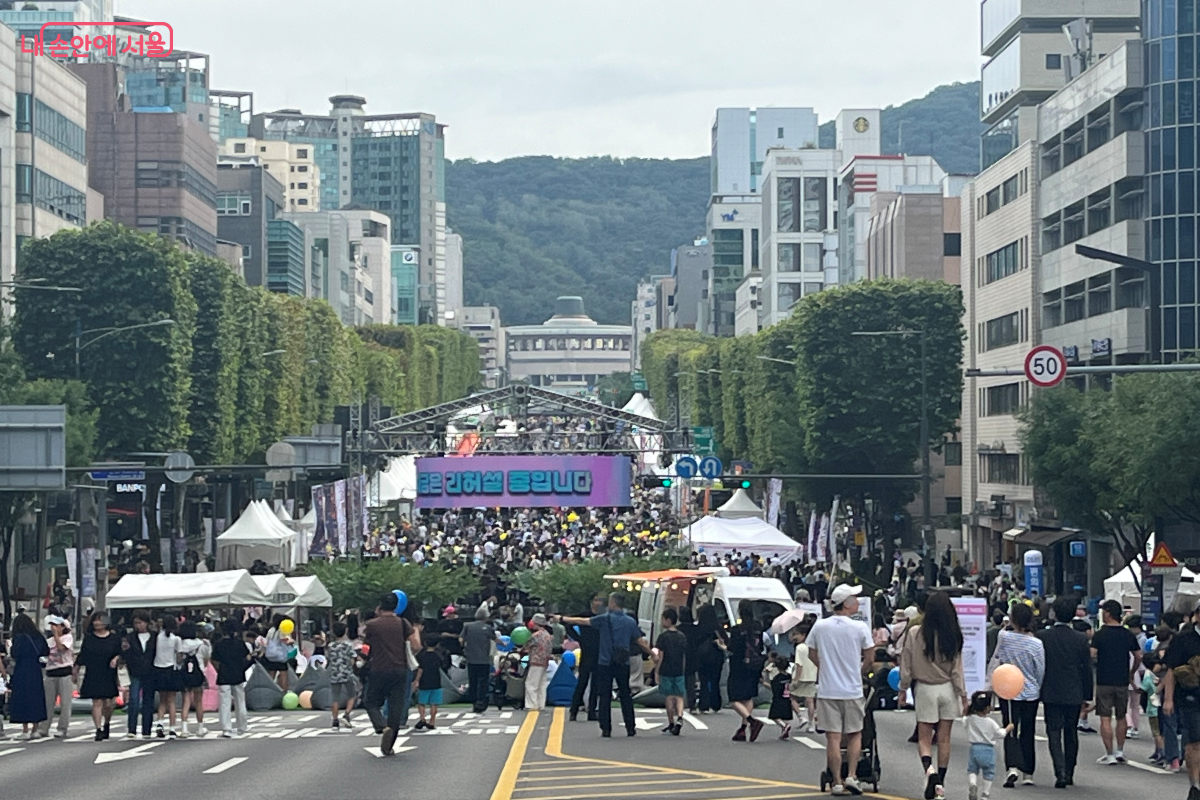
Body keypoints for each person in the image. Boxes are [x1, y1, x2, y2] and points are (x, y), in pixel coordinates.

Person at [807, 584, 875, 797]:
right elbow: (870, 657)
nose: (857, 602)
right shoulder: (859, 627)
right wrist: (858, 672)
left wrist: (825, 669)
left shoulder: (820, 626)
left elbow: (811, 653)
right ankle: (852, 776)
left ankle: (837, 781)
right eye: (854, 598)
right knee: (855, 734)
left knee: (833, 738)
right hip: (852, 690)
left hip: (828, 690)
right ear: (847, 603)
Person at [899, 591, 968, 800]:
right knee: (944, 739)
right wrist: (963, 695)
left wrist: (903, 689)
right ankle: (941, 784)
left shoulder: (915, 633)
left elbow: (906, 665)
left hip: (925, 688)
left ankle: (930, 771)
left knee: (924, 738)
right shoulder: (954, 636)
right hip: (947, 689)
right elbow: (957, 671)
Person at [556, 592, 651, 738]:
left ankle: (606, 727)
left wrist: (562, 618)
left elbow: (582, 621)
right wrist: (652, 654)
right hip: (623, 662)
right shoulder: (630, 621)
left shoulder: (604, 619)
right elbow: (640, 641)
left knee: (604, 695)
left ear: (613, 603)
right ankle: (630, 727)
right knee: (625, 693)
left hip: (605, 662)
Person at [1036, 595, 1093, 788]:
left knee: (1053, 731)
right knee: (1071, 732)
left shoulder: (1043, 636)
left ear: (1054, 613)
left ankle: (1059, 770)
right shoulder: (1080, 638)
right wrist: (1087, 695)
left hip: (1050, 690)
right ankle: (1069, 772)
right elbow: (1086, 668)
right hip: (1074, 690)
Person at [987, 602, 1045, 788]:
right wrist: (1036, 685)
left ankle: (1012, 767)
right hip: (1030, 692)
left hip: (1008, 689)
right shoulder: (1036, 644)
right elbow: (1040, 669)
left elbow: (998, 658)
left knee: (1010, 728)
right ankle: (1028, 772)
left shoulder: (1004, 636)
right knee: (1028, 730)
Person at [363, 592, 421, 756]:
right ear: (396, 606)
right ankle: (388, 746)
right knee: (396, 707)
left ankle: (381, 726)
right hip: (400, 670)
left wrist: (362, 660)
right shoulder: (403, 623)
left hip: (378, 668)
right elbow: (416, 645)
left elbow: (366, 648)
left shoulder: (372, 625)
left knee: (371, 702)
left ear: (380, 606)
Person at [1092, 599, 1141, 765]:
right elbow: (1138, 656)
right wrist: (1131, 672)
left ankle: (1109, 754)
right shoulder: (1127, 634)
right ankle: (1120, 750)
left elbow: (1092, 654)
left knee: (1105, 717)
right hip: (1122, 680)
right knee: (1121, 716)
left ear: (1107, 613)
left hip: (1104, 680)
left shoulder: (1100, 634)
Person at [1162, 597, 1200, 800]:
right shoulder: (1183, 640)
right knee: (1195, 741)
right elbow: (1171, 670)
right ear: (1196, 616)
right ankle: (1195, 785)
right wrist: (1168, 699)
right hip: (1190, 696)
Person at [722, 601, 767, 742]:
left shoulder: (737, 630)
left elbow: (733, 649)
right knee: (748, 697)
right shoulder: (758, 627)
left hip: (739, 666)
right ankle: (743, 728)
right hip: (754, 666)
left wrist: (723, 647)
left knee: (734, 698)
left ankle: (751, 721)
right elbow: (760, 646)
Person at [75, 612, 122, 741]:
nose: (97, 623)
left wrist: (116, 659)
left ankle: (106, 722)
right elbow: (83, 654)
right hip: (93, 672)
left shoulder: (114, 638)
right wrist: (76, 669)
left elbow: (120, 652)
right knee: (97, 701)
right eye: (95, 620)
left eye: (100, 620)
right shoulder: (89, 638)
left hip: (108, 672)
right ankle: (98, 729)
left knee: (109, 703)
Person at [966, 691, 1014, 800]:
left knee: (972, 769)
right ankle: (985, 794)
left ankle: (973, 784)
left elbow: (964, 721)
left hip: (974, 748)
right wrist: (1008, 728)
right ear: (987, 708)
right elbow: (1000, 733)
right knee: (988, 772)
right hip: (988, 749)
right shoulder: (990, 722)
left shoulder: (970, 719)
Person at [8, 613, 49, 739]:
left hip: (22, 669)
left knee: (23, 698)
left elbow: (15, 653)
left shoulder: (19, 638)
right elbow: (45, 651)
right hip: (35, 669)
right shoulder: (37, 636)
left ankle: (25, 729)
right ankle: (35, 728)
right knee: (35, 697)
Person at [211, 618, 251, 738]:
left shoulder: (219, 644)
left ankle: (226, 729)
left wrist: (219, 669)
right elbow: (248, 657)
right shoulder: (240, 643)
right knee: (240, 701)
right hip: (238, 674)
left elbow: (214, 660)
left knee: (224, 703)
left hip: (224, 675)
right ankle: (242, 726)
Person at [568, 594, 606, 722]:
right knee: (582, 681)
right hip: (587, 651)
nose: (598, 603)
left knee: (596, 684)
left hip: (600, 651)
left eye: (600, 600)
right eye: (596, 600)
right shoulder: (584, 615)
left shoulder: (603, 617)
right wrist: (579, 638)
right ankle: (573, 710)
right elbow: (569, 624)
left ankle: (592, 711)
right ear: (591, 602)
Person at [121, 611, 157, 739]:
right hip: (135, 671)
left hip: (150, 672)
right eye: (136, 623)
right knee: (134, 700)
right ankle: (132, 728)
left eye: (140, 623)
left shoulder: (155, 637)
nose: (138, 626)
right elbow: (125, 654)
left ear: (147, 623)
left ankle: (147, 729)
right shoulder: (130, 638)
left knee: (148, 701)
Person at [653, 607, 687, 736]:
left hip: (666, 669)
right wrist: (683, 669)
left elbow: (660, 656)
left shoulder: (663, 637)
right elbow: (684, 655)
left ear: (668, 620)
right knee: (679, 695)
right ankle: (680, 716)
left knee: (669, 696)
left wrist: (656, 671)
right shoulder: (682, 636)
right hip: (679, 669)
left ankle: (671, 722)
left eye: (663, 619)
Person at [40, 614, 74, 739]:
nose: (53, 627)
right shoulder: (49, 641)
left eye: (56, 625)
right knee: (48, 703)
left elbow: (61, 649)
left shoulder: (68, 638)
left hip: (64, 672)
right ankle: (43, 728)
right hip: (50, 672)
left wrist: (56, 635)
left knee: (65, 703)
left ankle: (62, 728)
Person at [177, 620, 211, 738]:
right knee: (198, 702)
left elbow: (178, 660)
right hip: (198, 674)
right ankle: (200, 728)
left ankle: (184, 729)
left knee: (185, 701)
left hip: (185, 675)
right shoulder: (202, 644)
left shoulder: (180, 644)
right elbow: (207, 659)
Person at [461, 606, 497, 715]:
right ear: (485, 617)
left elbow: (461, 639)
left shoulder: (468, 627)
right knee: (483, 682)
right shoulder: (488, 628)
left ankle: (473, 702)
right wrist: (503, 644)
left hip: (471, 659)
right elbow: (495, 639)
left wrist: (465, 647)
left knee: (473, 681)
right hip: (484, 659)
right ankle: (481, 702)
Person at [153, 615, 182, 738]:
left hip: (158, 668)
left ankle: (160, 724)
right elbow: (179, 657)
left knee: (162, 700)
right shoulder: (176, 639)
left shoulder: (157, 637)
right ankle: (172, 728)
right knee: (171, 700)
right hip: (171, 669)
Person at [694, 604, 726, 714]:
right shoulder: (718, 629)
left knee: (703, 681)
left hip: (702, 658)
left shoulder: (699, 629)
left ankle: (704, 704)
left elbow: (695, 643)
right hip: (717, 657)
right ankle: (715, 703)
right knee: (715, 680)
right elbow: (726, 642)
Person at [326, 621, 357, 730]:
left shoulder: (330, 646)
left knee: (335, 698)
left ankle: (335, 721)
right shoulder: (348, 645)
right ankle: (346, 715)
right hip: (346, 673)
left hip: (334, 673)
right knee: (352, 695)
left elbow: (328, 659)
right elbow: (352, 659)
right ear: (345, 632)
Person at [790, 624, 819, 733]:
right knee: (810, 701)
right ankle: (811, 725)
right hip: (812, 676)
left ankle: (800, 717)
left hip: (801, 676)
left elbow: (799, 664)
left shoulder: (800, 648)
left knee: (790, 696)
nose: (794, 637)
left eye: (796, 634)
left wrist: (796, 679)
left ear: (804, 635)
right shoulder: (814, 646)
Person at [413, 634, 443, 730]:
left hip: (424, 681)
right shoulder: (438, 656)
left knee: (422, 702)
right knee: (434, 703)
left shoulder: (421, 656)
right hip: (436, 681)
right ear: (437, 644)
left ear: (425, 643)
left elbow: (420, 669)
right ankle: (432, 721)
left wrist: (417, 680)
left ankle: (422, 718)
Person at [523, 614, 553, 711]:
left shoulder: (535, 635)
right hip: (545, 661)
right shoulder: (547, 635)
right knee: (541, 684)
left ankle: (532, 704)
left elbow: (526, 645)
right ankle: (541, 704)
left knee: (531, 683)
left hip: (536, 661)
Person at [764, 652, 793, 740]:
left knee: (774, 716)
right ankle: (784, 731)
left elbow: (773, 688)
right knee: (784, 716)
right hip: (787, 698)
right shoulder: (789, 676)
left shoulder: (777, 678)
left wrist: (764, 682)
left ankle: (784, 726)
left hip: (778, 699)